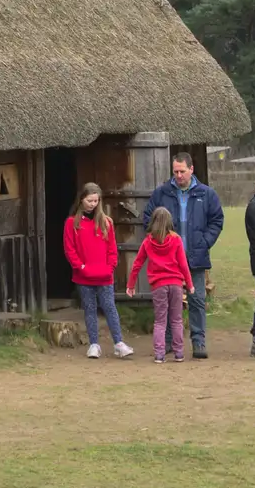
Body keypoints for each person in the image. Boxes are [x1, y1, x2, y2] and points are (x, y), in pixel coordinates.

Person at [141, 153, 225, 359]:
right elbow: (147, 218)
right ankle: (168, 342)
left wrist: (205, 243)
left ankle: (198, 342)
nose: (178, 175)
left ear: (191, 169)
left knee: (196, 300)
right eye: (175, 171)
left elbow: (217, 220)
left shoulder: (207, 194)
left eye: (182, 171)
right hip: (168, 261)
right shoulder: (162, 193)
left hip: (195, 257)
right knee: (168, 302)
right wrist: (160, 240)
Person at [64, 182, 133, 359]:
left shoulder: (106, 222)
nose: (92, 204)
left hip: (104, 275)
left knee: (110, 307)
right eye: (89, 200)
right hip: (83, 275)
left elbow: (112, 248)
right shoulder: (72, 223)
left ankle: (119, 343)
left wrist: (110, 267)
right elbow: (69, 249)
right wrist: (80, 267)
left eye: (96, 200)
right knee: (89, 309)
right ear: (81, 200)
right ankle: (94, 344)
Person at [125, 207, 193, 363]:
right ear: (170, 222)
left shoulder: (148, 241)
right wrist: (189, 284)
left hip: (158, 286)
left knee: (160, 321)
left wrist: (131, 285)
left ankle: (159, 354)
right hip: (176, 284)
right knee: (176, 320)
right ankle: (179, 353)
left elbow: (137, 264)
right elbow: (183, 264)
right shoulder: (176, 240)